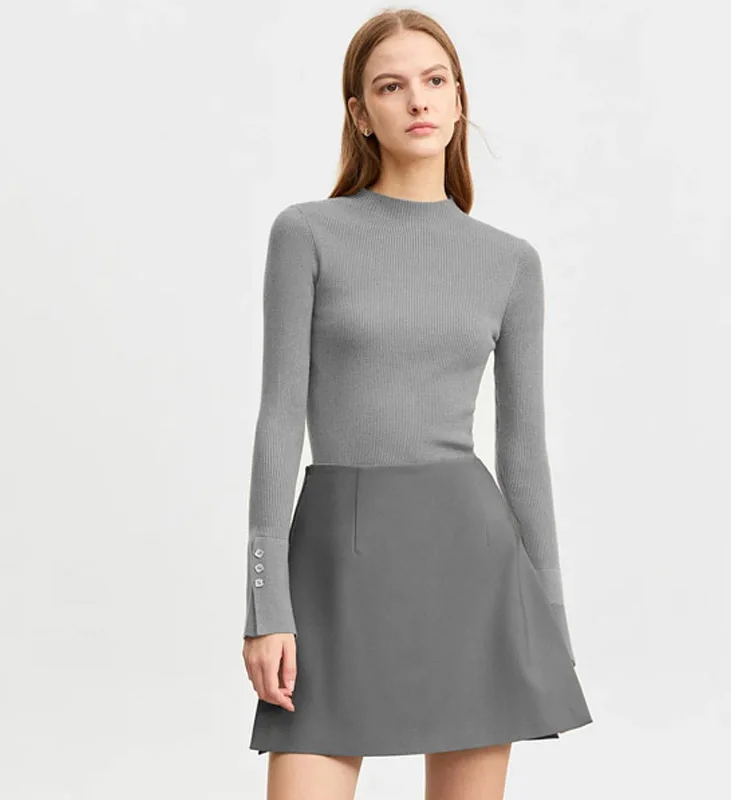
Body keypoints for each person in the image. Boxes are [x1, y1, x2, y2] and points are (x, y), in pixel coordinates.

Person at [241, 8, 592, 799]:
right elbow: (278, 419)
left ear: (459, 99)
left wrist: (550, 615)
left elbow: (523, 454)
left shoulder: (509, 262)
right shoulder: (307, 234)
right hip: (334, 567)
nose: (418, 100)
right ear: (361, 114)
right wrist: (266, 605)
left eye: (435, 81)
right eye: (391, 87)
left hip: (472, 569)